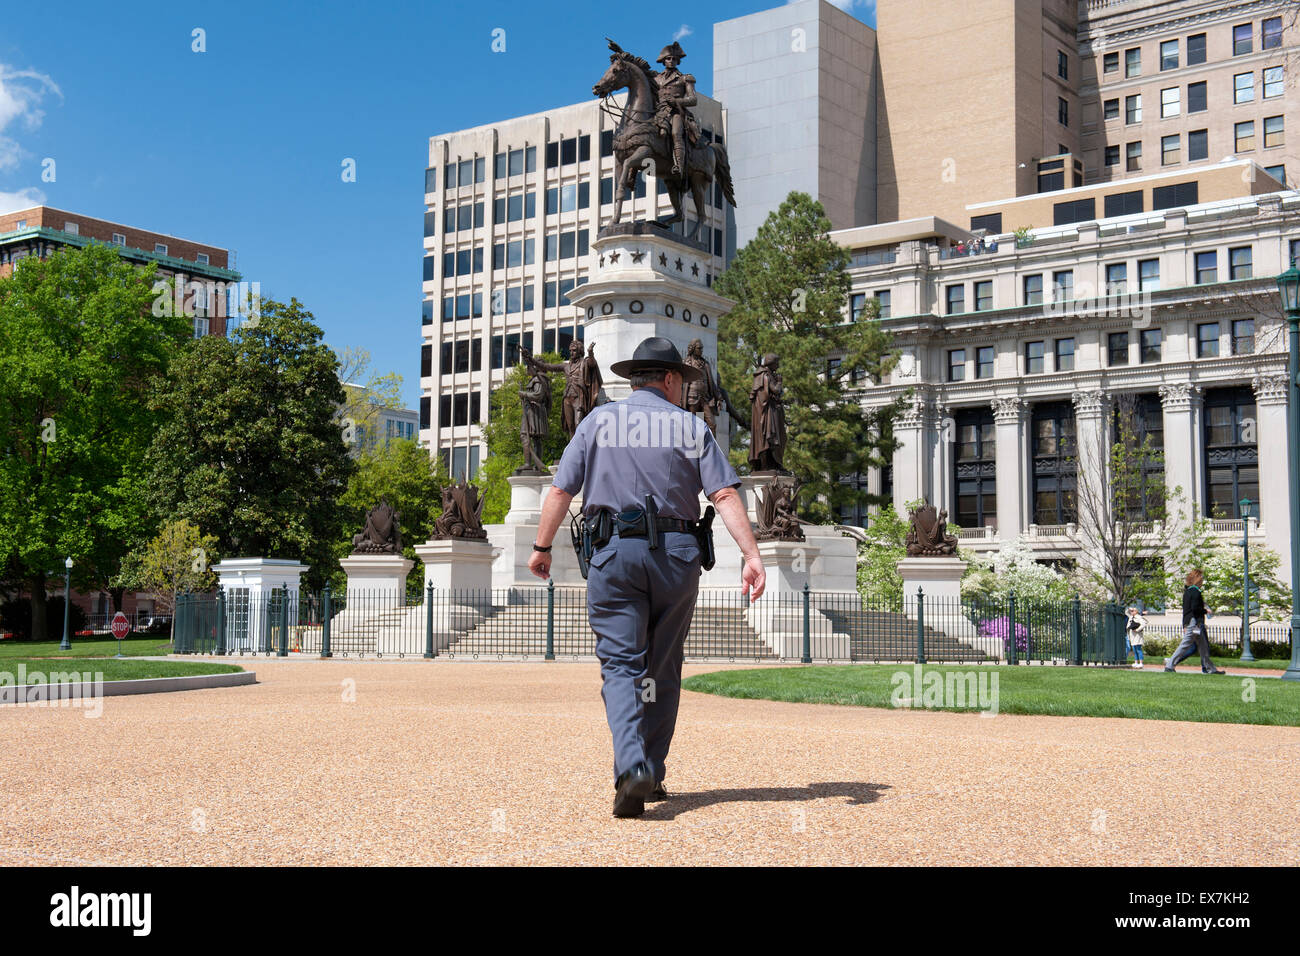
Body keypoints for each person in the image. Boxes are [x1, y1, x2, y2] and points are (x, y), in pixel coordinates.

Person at [528, 336, 766, 818]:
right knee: (660, 669)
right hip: (676, 557)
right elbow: (722, 495)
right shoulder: (690, 427)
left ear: (636, 378)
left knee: (621, 666)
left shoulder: (597, 421)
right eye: (684, 383)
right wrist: (751, 554)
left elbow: (559, 489)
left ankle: (631, 766)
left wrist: (541, 547)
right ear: (671, 379)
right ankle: (652, 772)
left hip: (613, 554)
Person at [1164, 569, 1226, 674]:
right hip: (1195, 623)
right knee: (1185, 644)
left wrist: (1184, 624)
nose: (1202, 581)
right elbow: (1195, 609)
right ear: (1198, 579)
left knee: (1204, 647)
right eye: (1201, 578)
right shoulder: (1196, 592)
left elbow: (1186, 610)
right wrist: (1206, 610)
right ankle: (1169, 665)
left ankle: (1210, 668)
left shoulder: (1187, 592)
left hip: (1193, 622)